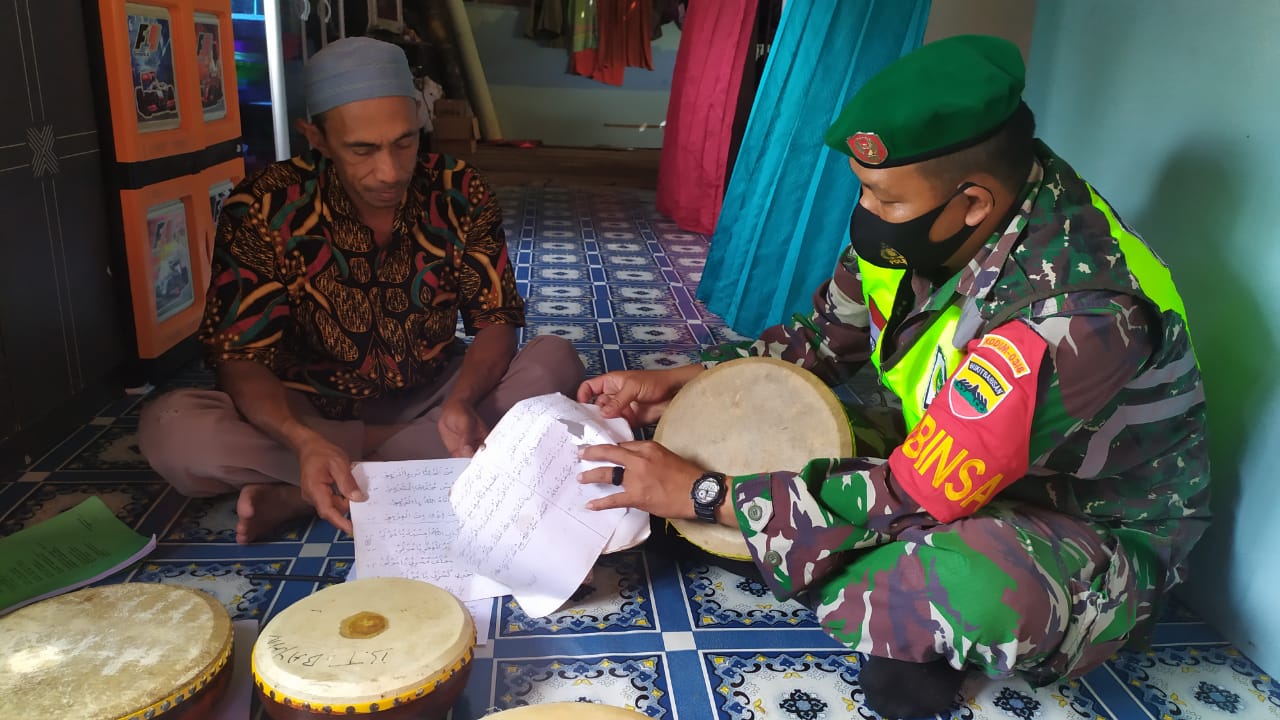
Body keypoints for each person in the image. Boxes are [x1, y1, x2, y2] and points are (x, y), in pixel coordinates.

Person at [577, 35, 1209, 719]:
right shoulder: (922, 221)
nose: (867, 215)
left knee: (953, 582)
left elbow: (916, 491)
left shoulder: (1077, 314)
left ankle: (876, 599)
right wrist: (688, 380)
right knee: (762, 439)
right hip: (947, 454)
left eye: (884, 199)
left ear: (972, 203)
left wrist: (703, 495)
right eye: (864, 191)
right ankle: (814, 553)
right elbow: (821, 341)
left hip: (1082, 522)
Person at [139, 37, 584, 544]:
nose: (390, 172)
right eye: (362, 150)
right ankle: (375, 469)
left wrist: (462, 400)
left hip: (434, 395)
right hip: (307, 410)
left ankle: (303, 492)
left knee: (556, 365)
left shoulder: (459, 189)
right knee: (172, 432)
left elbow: (495, 318)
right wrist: (302, 439)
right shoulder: (263, 206)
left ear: (420, 120)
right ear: (318, 137)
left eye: (405, 142)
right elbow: (239, 357)